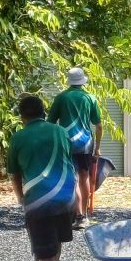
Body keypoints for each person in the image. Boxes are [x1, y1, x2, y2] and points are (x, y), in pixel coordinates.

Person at [7, 94, 79, 261]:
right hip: (66, 199)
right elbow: (70, 164)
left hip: (39, 202)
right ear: (44, 112)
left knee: (46, 258)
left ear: (22, 117)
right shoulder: (60, 132)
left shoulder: (19, 137)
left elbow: (15, 175)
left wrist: (21, 200)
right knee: (54, 250)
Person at [47, 67, 102, 227]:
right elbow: (98, 125)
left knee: (71, 178)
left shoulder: (61, 98)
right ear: (82, 81)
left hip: (66, 142)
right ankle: (83, 216)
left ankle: (75, 214)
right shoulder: (89, 98)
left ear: (69, 81)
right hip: (85, 143)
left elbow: (50, 123)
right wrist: (97, 147)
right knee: (84, 177)